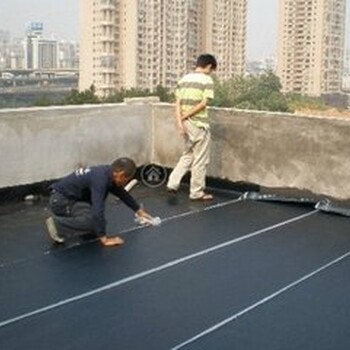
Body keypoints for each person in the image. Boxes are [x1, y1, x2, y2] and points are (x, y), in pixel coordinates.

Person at [45, 157, 157, 247]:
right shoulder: (100, 180)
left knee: (98, 224)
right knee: (95, 221)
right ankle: (56, 225)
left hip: (70, 199)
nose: (125, 183)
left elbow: (122, 193)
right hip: (60, 201)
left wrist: (138, 210)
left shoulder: (108, 173)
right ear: (120, 174)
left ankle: (72, 222)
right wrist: (104, 239)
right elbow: (97, 210)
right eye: (126, 180)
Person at [167, 53, 217, 201]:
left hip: (186, 125)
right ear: (208, 66)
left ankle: (172, 183)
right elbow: (203, 104)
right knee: (200, 159)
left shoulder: (184, 79)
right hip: (199, 124)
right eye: (212, 69)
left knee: (188, 154)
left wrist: (180, 122)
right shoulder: (207, 80)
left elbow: (177, 103)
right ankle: (196, 192)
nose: (211, 72)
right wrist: (185, 116)